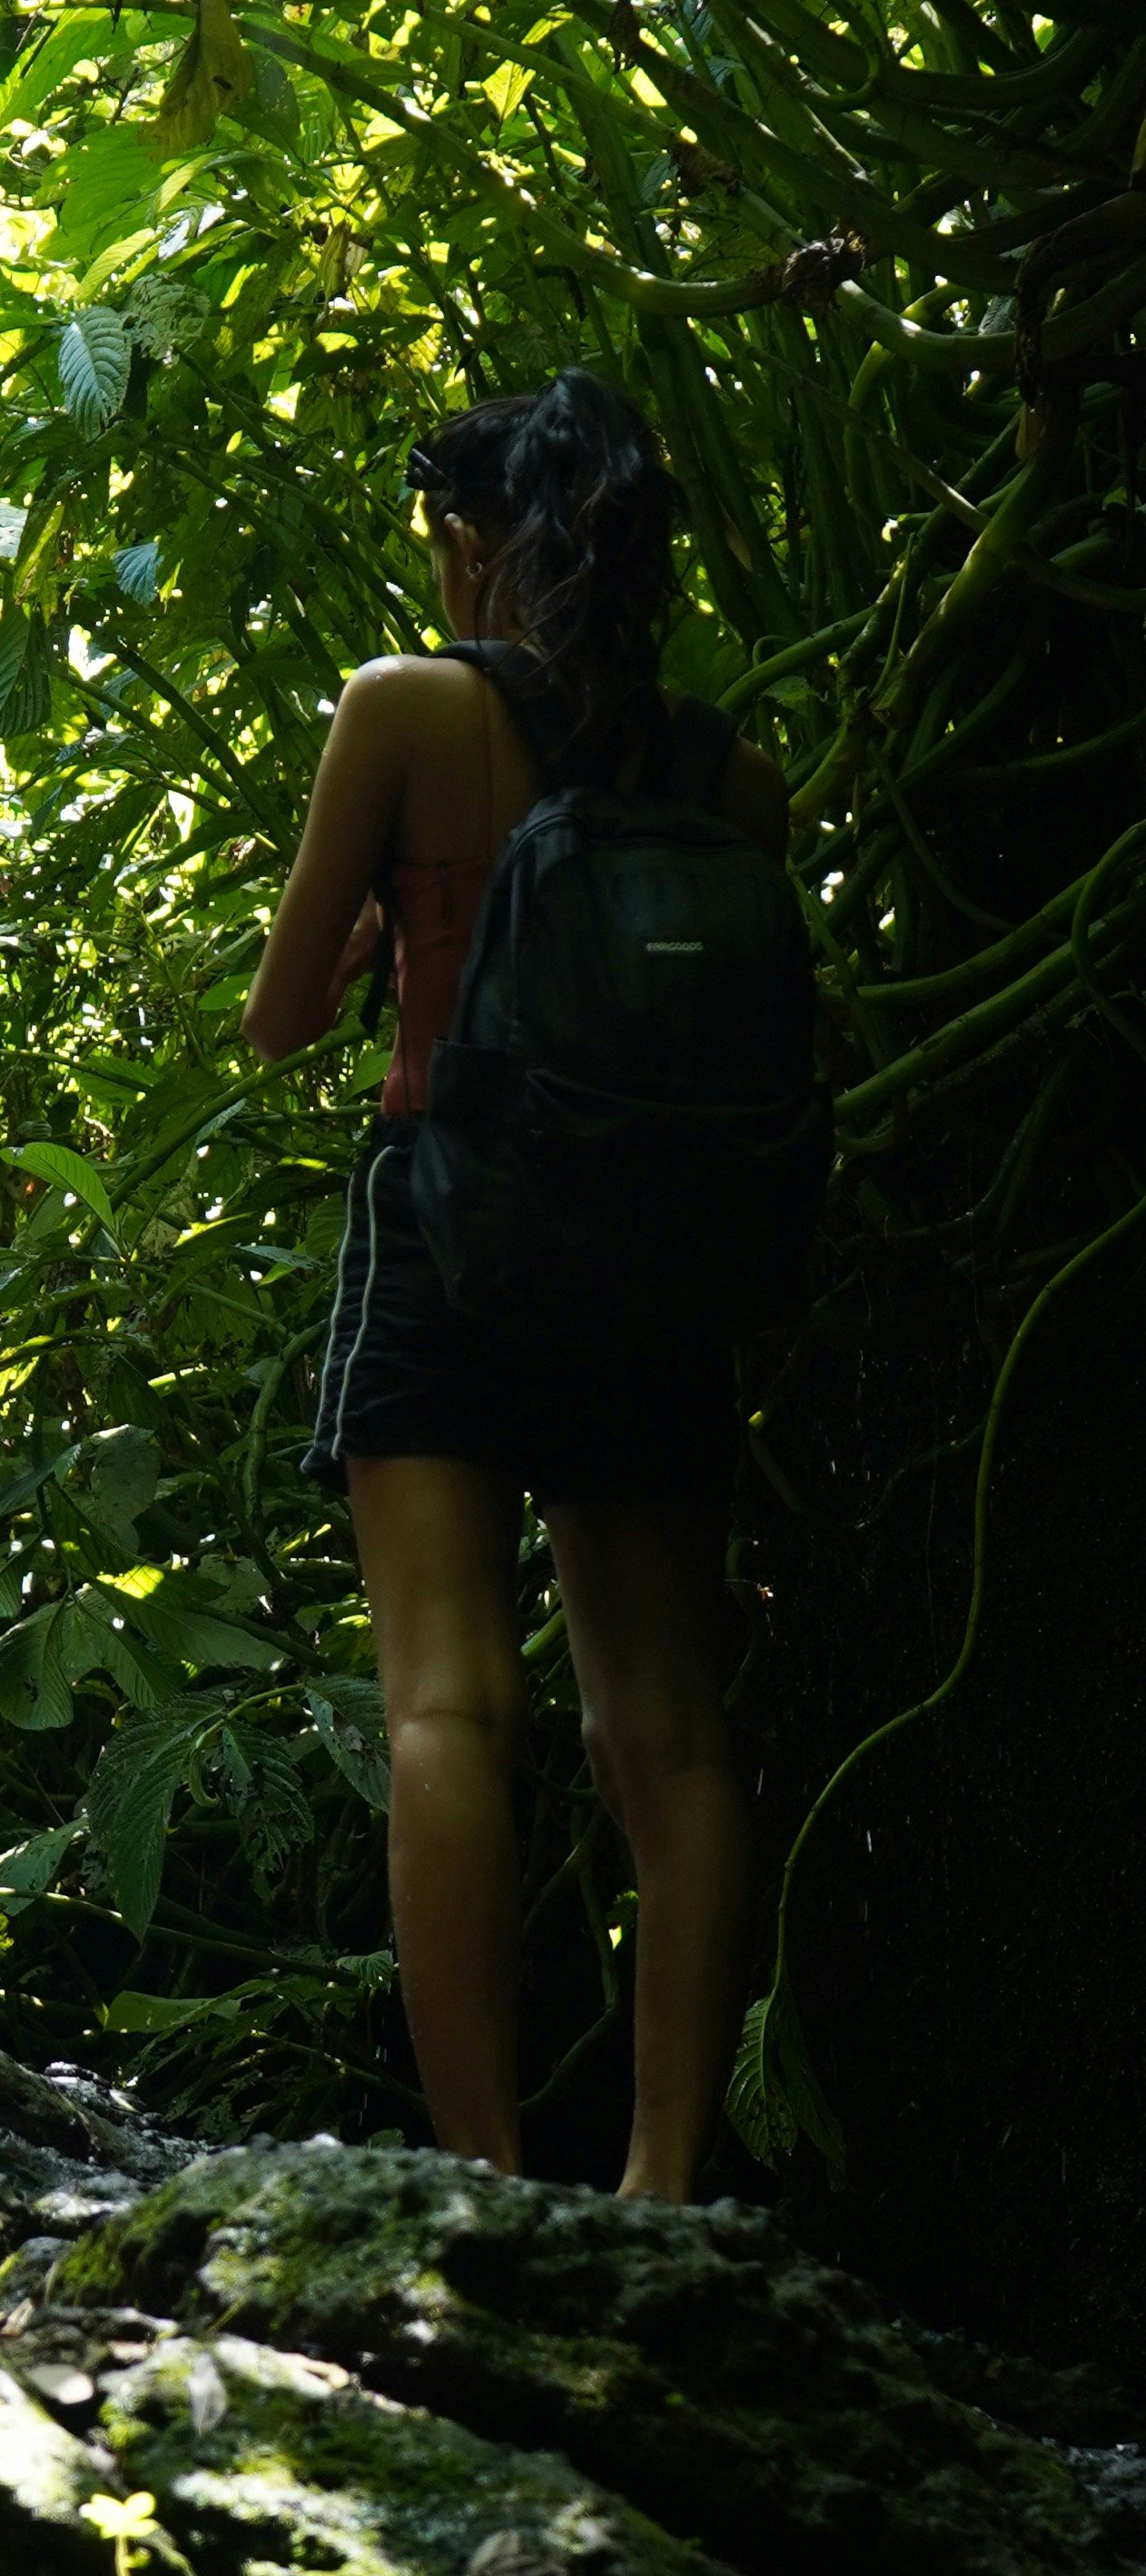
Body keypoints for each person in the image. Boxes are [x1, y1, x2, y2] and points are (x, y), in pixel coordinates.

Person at [242, 370, 789, 2200]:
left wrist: (413, 921)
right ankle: (657, 2187)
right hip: (658, 1265)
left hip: (451, 1243)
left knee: (442, 1704)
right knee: (669, 1731)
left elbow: (277, 1022)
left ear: (471, 546)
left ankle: (475, 2174)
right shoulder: (727, 774)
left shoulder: (401, 711)